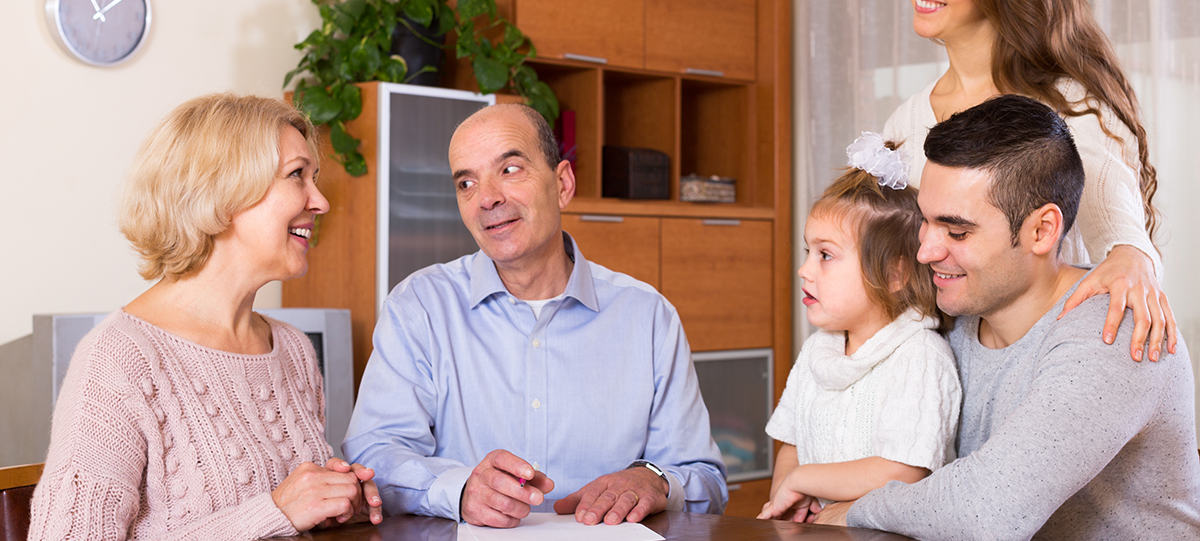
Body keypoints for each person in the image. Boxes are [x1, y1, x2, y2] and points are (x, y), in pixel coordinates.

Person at [819, 95, 1200, 539]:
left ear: (1042, 230)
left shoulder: (1115, 331)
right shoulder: (950, 316)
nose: (926, 251)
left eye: (957, 231)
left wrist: (858, 509)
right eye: (925, 221)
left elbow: (988, 510)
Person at [342, 103, 726, 528]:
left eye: (509, 170)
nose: (487, 198)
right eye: (467, 183)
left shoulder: (649, 316)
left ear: (562, 184)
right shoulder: (419, 306)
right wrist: (459, 489)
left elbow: (706, 482)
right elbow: (375, 454)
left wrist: (655, 481)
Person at [28, 94, 383, 540]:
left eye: (314, 178)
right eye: (297, 175)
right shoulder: (118, 358)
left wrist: (333, 502)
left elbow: (289, 514)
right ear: (223, 192)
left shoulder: (292, 349)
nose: (321, 202)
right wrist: (275, 512)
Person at [886, 0, 1176, 361]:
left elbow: (1117, 224)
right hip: (946, 375)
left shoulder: (1072, 107)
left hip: (1048, 365)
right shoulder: (904, 124)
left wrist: (1132, 256)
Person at [757, 133, 961, 523]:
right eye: (808, 252)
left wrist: (802, 480)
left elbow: (903, 471)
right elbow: (792, 445)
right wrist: (786, 498)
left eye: (825, 255)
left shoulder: (918, 356)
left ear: (894, 274)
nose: (804, 270)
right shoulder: (817, 351)